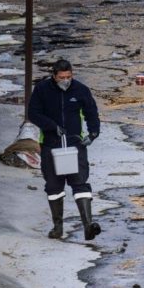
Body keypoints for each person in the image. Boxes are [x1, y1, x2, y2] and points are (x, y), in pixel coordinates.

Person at [28, 59, 102, 240]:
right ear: (54, 76)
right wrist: (52, 126)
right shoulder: (42, 90)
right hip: (51, 144)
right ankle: (57, 227)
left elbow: (91, 112)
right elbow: (33, 113)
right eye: (62, 77)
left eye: (68, 77)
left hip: (75, 144)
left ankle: (88, 226)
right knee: (54, 186)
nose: (65, 80)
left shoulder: (81, 90)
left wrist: (93, 133)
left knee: (80, 182)